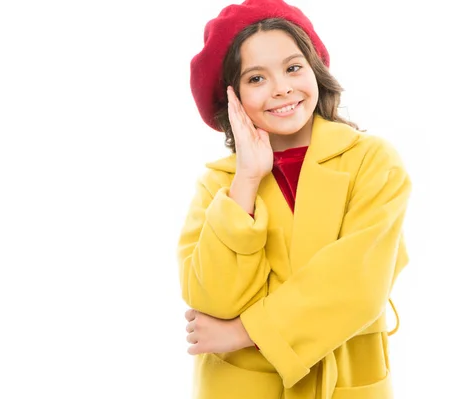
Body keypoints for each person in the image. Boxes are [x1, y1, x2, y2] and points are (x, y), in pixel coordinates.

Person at [176, 0, 412, 397]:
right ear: (231, 98)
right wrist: (247, 179)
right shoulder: (219, 184)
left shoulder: (372, 162)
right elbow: (211, 298)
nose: (282, 88)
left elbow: (358, 284)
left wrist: (243, 332)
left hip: (346, 382)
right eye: (256, 78)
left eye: (293, 67)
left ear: (315, 68)